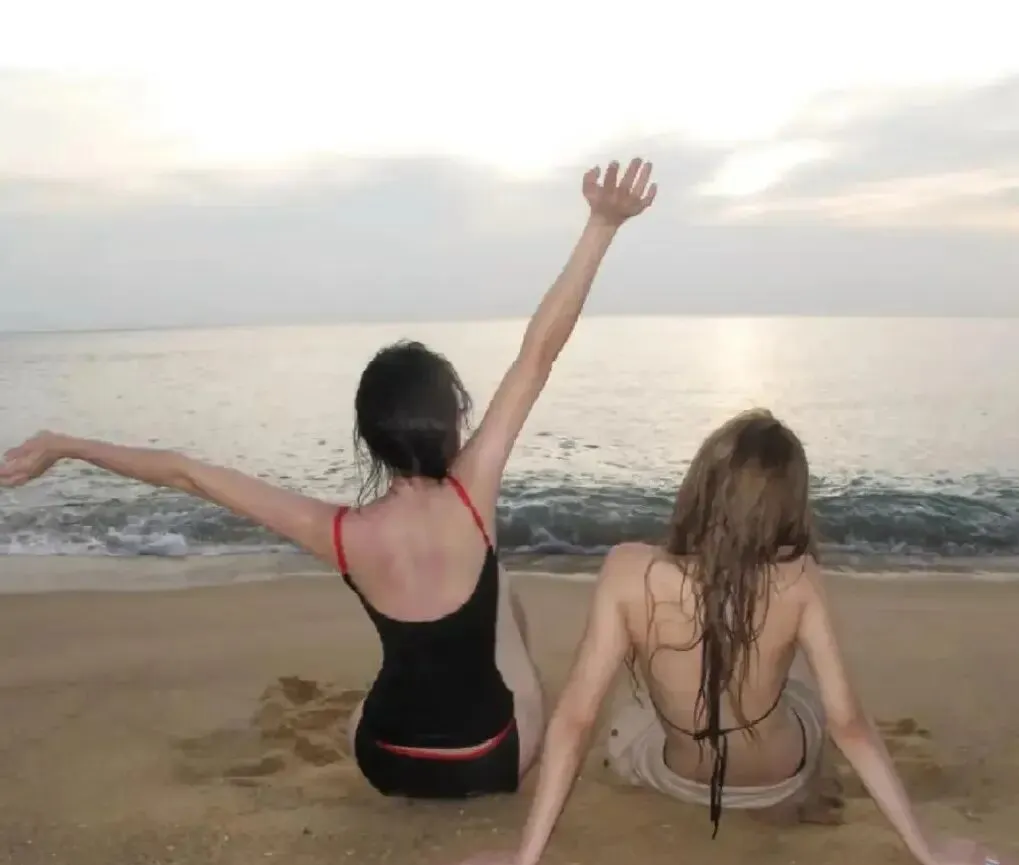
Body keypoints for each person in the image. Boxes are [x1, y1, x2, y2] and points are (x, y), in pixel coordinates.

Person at [0, 155, 656, 802]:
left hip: (385, 760)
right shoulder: (472, 490)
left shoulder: (338, 533)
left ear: (369, 440)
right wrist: (600, 227)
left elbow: (187, 474)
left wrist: (67, 444)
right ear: (454, 418)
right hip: (488, 763)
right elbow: (538, 353)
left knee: (395, 679)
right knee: (504, 603)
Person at [430, 406, 1017, 865]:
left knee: (626, 720)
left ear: (700, 485)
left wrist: (524, 857)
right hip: (782, 774)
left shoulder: (628, 570)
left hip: (680, 777)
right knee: (803, 696)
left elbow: (575, 719)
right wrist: (927, 847)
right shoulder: (798, 578)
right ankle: (806, 792)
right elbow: (851, 726)